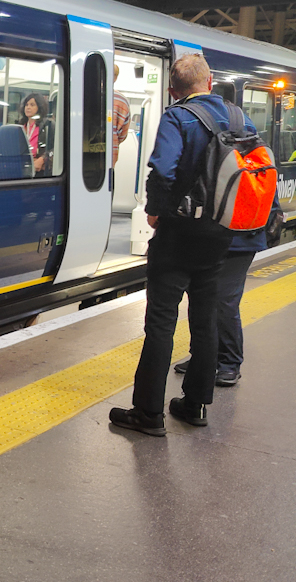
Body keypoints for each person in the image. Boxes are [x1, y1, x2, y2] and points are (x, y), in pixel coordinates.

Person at [109, 54, 257, 435]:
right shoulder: (240, 118)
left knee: (161, 322)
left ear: (173, 90)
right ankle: (195, 406)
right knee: (205, 318)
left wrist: (156, 211)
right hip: (220, 236)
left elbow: (163, 169)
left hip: (178, 235)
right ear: (210, 83)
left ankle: (148, 414)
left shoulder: (177, 117)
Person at [172, 81, 282, 387]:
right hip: (216, 231)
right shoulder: (222, 135)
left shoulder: (242, 140)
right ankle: (203, 355)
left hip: (242, 234)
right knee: (201, 296)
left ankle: (230, 361)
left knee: (224, 299)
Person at [19, 93, 49, 176]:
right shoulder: (20, 126)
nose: (28, 107)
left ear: (39, 107)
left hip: (40, 171)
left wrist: (42, 159)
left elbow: (55, 149)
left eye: (32, 105)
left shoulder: (47, 125)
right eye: (26, 105)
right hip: (22, 168)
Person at [112, 64, 131, 164]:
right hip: (109, 158)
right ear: (115, 78)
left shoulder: (79, 95)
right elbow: (123, 134)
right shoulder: (122, 101)